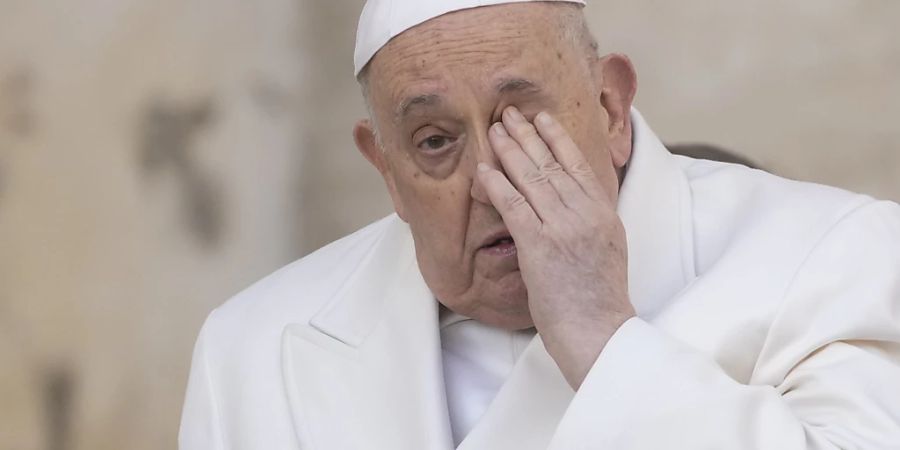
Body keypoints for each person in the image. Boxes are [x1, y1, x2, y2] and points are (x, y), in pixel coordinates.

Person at [179, 1, 900, 448]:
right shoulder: (254, 347)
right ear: (386, 168)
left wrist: (602, 338)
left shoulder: (833, 257)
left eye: (522, 122)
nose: (492, 184)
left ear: (611, 108)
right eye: (435, 142)